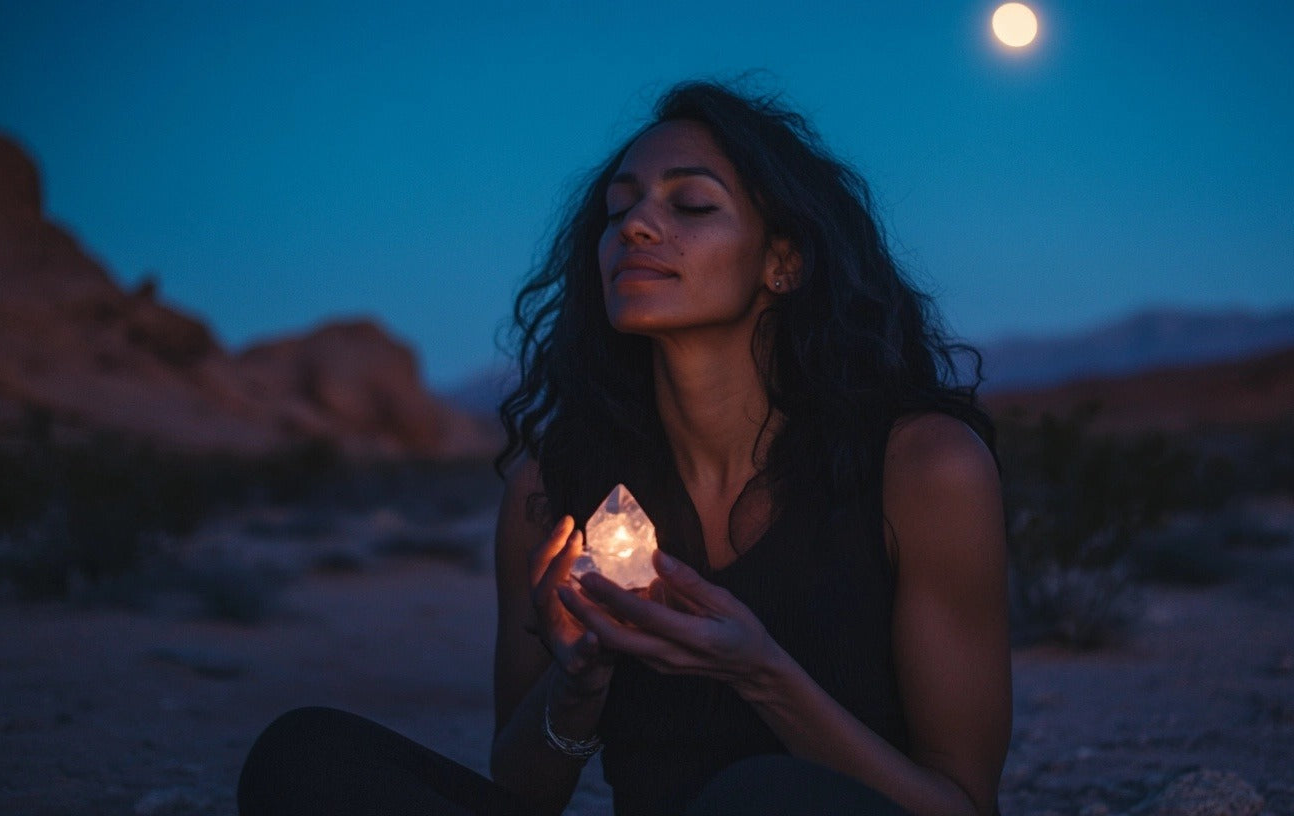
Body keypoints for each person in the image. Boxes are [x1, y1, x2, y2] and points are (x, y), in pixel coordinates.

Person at [238, 80, 1010, 816]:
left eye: (693, 203)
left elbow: (960, 803)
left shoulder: (919, 470)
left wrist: (762, 673)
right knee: (305, 756)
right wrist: (578, 678)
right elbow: (523, 793)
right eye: (618, 210)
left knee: (766, 798)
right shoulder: (557, 487)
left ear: (784, 262)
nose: (637, 226)